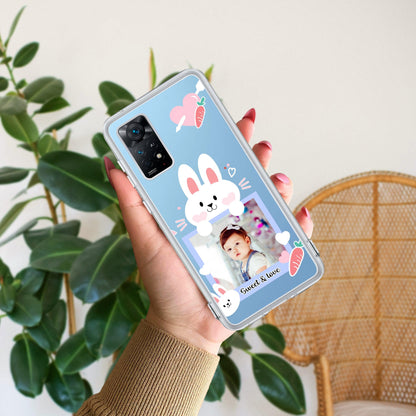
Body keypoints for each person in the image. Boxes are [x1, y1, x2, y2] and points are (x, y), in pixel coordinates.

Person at [76, 108, 313, 416]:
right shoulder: (235, 267)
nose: (234, 250)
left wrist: (185, 330)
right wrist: (186, 330)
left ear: (248, 240)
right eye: (229, 248)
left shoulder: (256, 260)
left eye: (237, 244)